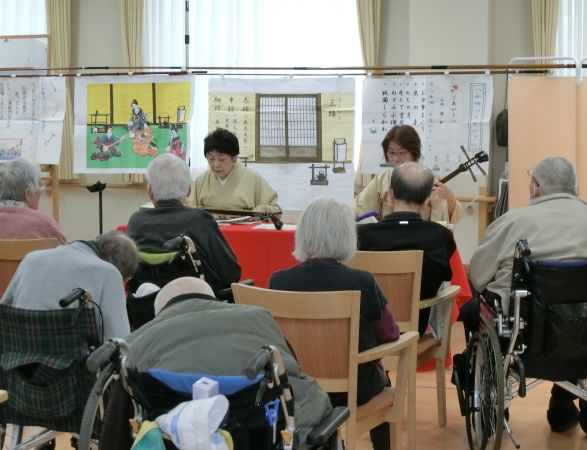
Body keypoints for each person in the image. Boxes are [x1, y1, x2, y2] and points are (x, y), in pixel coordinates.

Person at [102, 277, 332, 450]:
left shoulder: (134, 343)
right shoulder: (258, 317)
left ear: (160, 313)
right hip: (263, 435)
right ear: (214, 300)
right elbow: (292, 372)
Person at [462, 156, 587, 433]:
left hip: (521, 336)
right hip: (583, 332)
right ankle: (562, 403)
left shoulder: (512, 221)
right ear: (574, 188)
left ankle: (493, 397)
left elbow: (477, 277)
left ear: (535, 187)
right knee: (574, 311)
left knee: (471, 309)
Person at [269, 197, 399, 450]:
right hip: (353, 391)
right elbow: (391, 333)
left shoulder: (278, 281)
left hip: (298, 390)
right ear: (347, 236)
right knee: (383, 380)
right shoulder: (362, 281)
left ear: (303, 235)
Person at [357, 162, 456, 335]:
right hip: (415, 331)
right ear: (427, 198)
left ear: (390, 194)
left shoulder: (362, 235)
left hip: (369, 331)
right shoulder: (440, 236)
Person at [127, 153, 241, 292]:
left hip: (146, 308)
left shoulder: (136, 222)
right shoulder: (200, 220)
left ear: (150, 191)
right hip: (194, 307)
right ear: (188, 190)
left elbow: (128, 273)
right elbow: (230, 274)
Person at [0, 230, 137, 340]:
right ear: (122, 274)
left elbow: (4, 308)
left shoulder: (30, 258)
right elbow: (120, 341)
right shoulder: (110, 273)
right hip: (70, 370)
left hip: (15, 363)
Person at [353, 124, 462, 223]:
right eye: (391, 153)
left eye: (402, 153)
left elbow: (442, 220)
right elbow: (359, 209)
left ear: (414, 153)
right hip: (389, 238)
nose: (395, 159)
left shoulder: (430, 178)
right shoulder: (382, 179)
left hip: (422, 238)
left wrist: (449, 198)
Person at [187, 128, 281, 213]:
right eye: (211, 159)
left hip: (243, 231)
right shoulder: (202, 180)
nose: (215, 165)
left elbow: (274, 208)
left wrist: (265, 209)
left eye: (222, 159)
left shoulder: (253, 178)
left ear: (234, 158)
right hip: (208, 230)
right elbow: (188, 207)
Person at [0, 158, 66, 243]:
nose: (41, 190)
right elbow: (64, 254)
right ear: (27, 193)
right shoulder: (45, 224)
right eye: (39, 185)